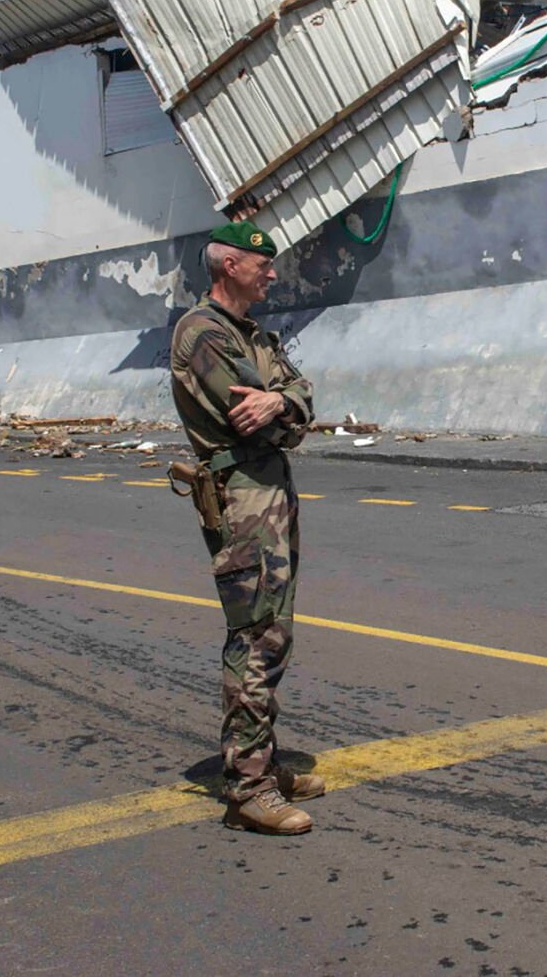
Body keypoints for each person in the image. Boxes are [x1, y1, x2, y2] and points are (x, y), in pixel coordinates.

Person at [171, 221, 324, 834]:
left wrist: (286, 403)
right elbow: (257, 420)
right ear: (229, 266)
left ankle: (259, 760)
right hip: (242, 498)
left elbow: (297, 395)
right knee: (255, 637)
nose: (270, 272)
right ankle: (248, 788)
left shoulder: (250, 333)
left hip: (268, 492)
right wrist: (285, 411)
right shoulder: (202, 333)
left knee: (274, 633)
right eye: (261, 263)